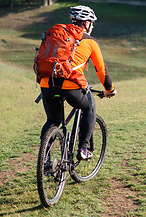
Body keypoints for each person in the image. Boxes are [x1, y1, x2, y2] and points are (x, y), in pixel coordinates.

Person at [39, 5, 116, 160]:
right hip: (70, 85)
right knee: (90, 106)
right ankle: (83, 149)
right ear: (86, 23)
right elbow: (102, 71)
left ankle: (44, 159)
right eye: (91, 23)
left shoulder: (56, 34)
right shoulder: (90, 41)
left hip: (46, 83)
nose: (92, 26)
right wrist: (110, 89)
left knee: (53, 120)